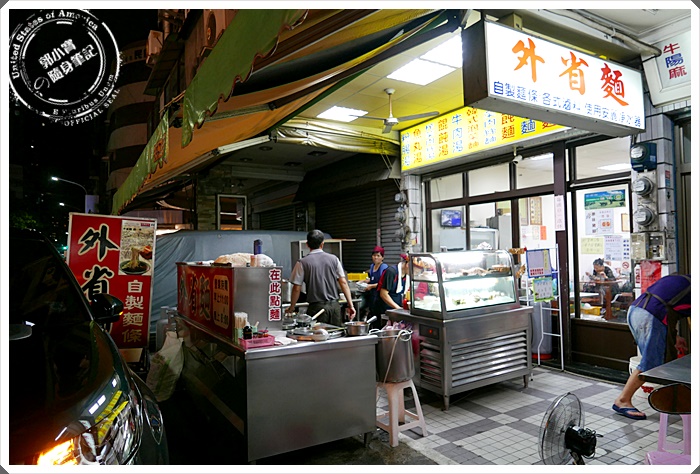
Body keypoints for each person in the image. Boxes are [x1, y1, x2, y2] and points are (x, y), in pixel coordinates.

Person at [612, 274, 691, 420]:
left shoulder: (684, 280)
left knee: (662, 361)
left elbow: (668, 304)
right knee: (651, 363)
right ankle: (623, 400)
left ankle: (674, 401)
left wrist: (674, 336)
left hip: (637, 310)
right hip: (652, 315)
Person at [285, 230, 356, 327]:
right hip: (335, 307)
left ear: (307, 244)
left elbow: (297, 288)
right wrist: (350, 305)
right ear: (322, 244)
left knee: (318, 334)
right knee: (336, 334)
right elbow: (343, 282)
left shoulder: (302, 262)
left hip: (317, 308)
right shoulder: (334, 259)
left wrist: (292, 307)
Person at [361, 246, 388, 327]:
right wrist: (366, 281)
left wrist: (371, 286)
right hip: (373, 295)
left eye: (378, 255)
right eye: (374, 255)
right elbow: (373, 278)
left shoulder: (383, 267)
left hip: (380, 296)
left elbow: (383, 282)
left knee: (378, 317)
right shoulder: (372, 266)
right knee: (372, 315)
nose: (376, 257)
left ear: (382, 257)